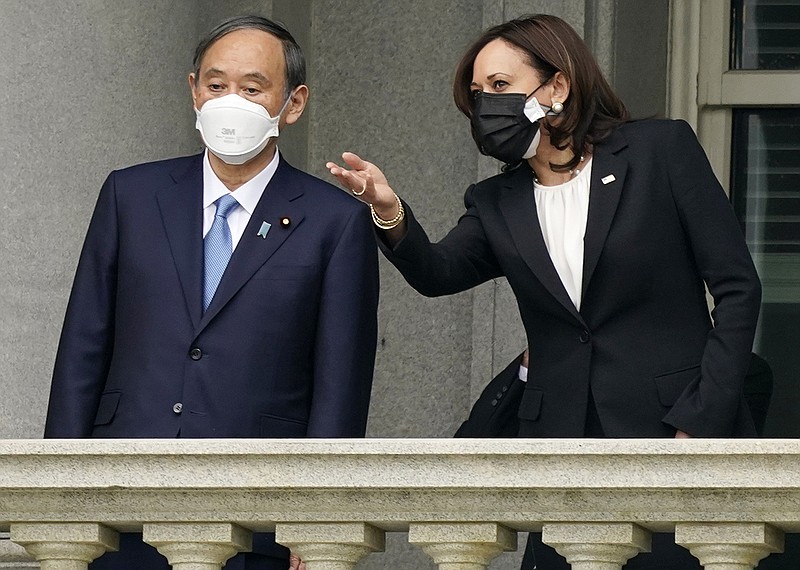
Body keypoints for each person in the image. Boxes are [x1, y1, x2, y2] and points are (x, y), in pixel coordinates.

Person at [327, 13, 761, 570]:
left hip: (671, 435)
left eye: (502, 87)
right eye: (478, 95)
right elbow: (437, 274)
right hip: (561, 445)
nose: (488, 105)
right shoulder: (495, 199)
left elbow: (737, 288)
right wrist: (389, 213)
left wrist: (700, 419)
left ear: (557, 86)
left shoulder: (659, 151)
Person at [44, 15, 379, 570]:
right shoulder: (131, 194)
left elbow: (340, 379)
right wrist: (59, 491)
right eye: (216, 85)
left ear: (292, 104)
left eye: (252, 89)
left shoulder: (335, 220)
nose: (230, 101)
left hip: (259, 505)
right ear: (193, 90)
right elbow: (83, 343)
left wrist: (318, 513)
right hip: (121, 493)